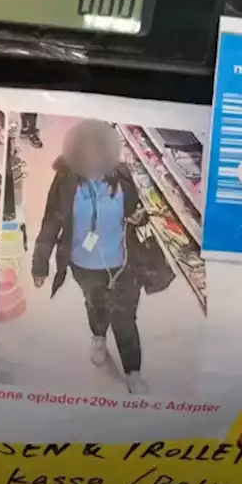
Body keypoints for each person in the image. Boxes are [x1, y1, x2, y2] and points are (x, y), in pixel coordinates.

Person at [31, 119, 151, 395]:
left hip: (122, 264)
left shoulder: (122, 176)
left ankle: (133, 372)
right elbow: (51, 221)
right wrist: (40, 262)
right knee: (95, 304)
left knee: (125, 318)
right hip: (83, 264)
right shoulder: (65, 180)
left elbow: (137, 213)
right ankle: (98, 336)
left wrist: (138, 217)